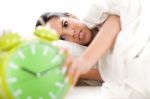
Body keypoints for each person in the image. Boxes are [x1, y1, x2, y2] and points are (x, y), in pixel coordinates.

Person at [36, 0, 150, 98]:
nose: (72, 33)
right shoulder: (88, 62)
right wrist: (76, 71)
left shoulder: (96, 16)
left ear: (71, 16)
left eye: (66, 24)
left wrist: (85, 60)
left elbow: (116, 19)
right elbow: (108, 75)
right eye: (63, 38)